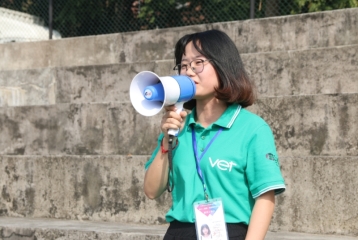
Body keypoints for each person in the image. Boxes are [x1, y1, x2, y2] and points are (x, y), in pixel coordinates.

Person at [143, 29, 285, 240]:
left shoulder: (252, 128)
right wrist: (166, 140)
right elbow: (151, 190)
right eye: (183, 65)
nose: (189, 72)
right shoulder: (177, 127)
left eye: (198, 63)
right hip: (179, 232)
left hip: (230, 232)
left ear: (223, 65)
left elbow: (265, 197)